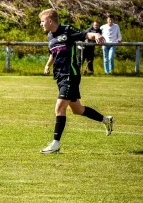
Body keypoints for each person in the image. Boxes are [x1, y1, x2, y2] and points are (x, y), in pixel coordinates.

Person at [39, 9, 114, 154]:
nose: (41, 24)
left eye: (42, 21)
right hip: (60, 76)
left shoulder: (67, 30)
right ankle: (106, 120)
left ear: (49, 20)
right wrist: (48, 65)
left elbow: (86, 34)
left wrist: (97, 34)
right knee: (77, 109)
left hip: (70, 75)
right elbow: (53, 53)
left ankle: (55, 144)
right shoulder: (50, 36)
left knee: (59, 107)